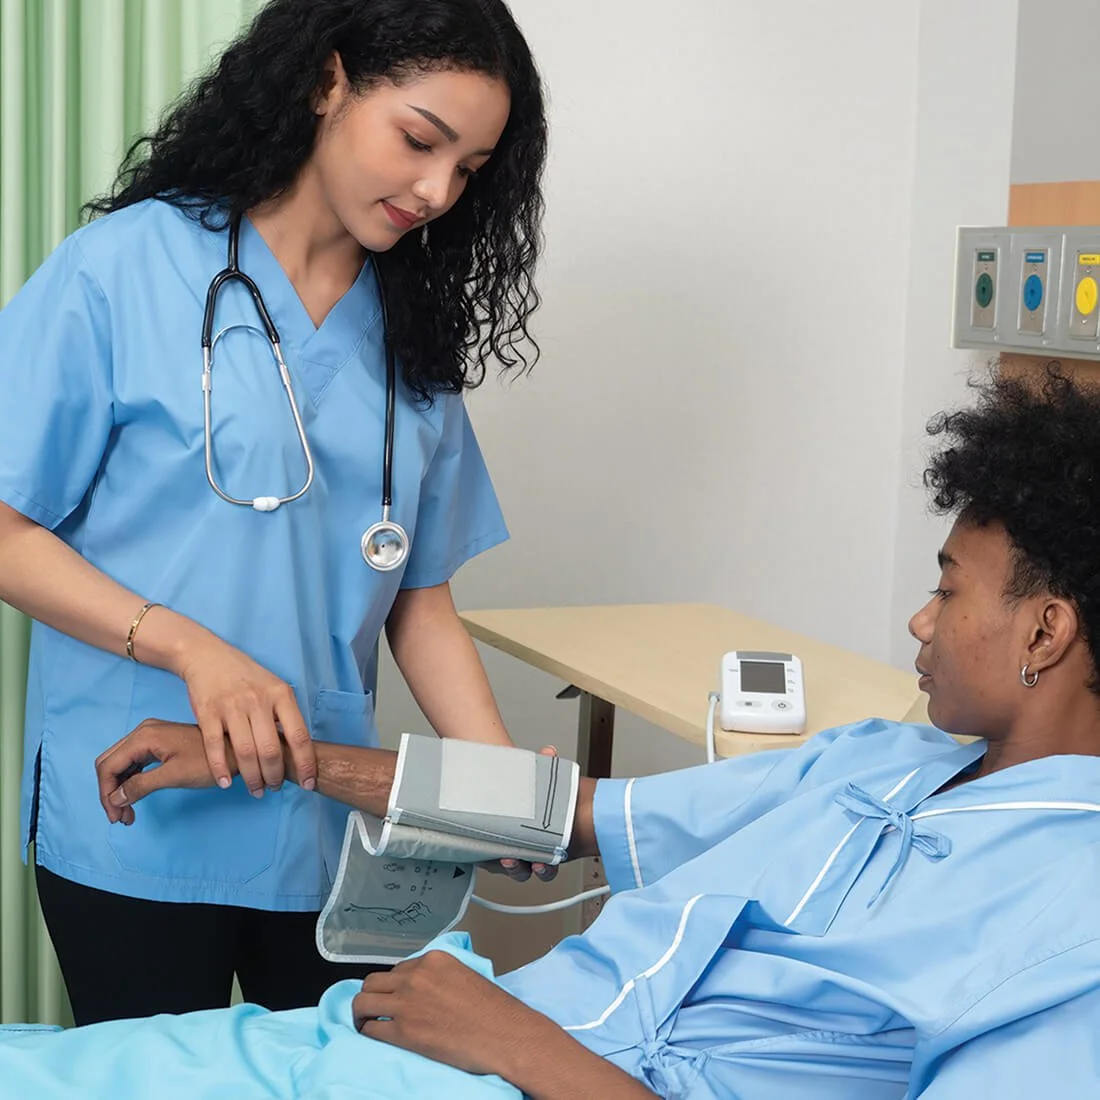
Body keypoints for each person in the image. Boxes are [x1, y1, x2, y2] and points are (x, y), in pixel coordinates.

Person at [27, 363, 1091, 1098]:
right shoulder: (880, 758)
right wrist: (279, 756)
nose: (918, 618)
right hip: (427, 1032)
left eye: (946, 591)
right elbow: (565, 814)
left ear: (1043, 629)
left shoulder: (1069, 925)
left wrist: (524, 1047)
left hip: (506, 1052)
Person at [0, 0, 548, 1025]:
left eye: (467, 168)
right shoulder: (125, 268)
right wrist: (190, 649)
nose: (435, 190)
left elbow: (416, 597)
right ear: (326, 81)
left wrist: (500, 787)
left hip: (323, 825)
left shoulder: (411, 329)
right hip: (135, 804)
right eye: (419, 140)